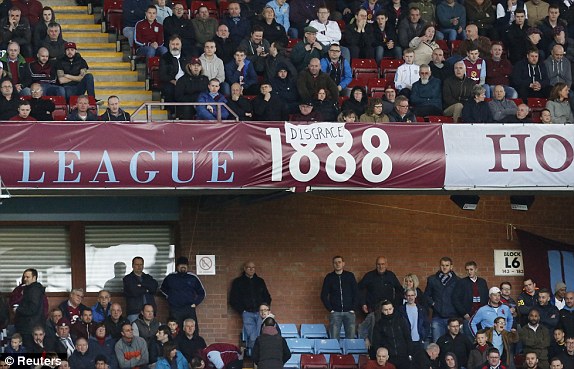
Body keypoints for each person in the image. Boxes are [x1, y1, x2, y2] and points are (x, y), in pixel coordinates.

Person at [229, 261, 272, 351]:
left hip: (260, 312)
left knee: (261, 334)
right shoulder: (238, 282)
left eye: (253, 268)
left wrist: (265, 309)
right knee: (252, 336)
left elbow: (267, 296)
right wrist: (242, 310)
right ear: (244, 269)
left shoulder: (260, 281)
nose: (251, 269)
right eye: (249, 267)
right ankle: (254, 357)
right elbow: (233, 299)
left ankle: (259, 356)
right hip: (247, 313)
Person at [160, 256, 206, 330]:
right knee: (174, 331)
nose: (183, 266)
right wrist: (171, 298)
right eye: (181, 265)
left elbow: (202, 293)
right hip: (175, 309)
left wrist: (195, 303)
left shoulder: (193, 277)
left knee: (191, 330)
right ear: (177, 266)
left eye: (185, 265)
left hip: (189, 309)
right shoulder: (170, 277)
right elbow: (162, 289)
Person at [320, 256, 358, 340]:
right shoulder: (329, 277)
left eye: (339, 262)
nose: (337, 264)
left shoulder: (350, 276)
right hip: (335, 312)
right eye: (335, 262)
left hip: (349, 312)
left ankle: (350, 353)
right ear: (333, 264)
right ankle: (335, 353)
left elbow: (356, 292)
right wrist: (331, 309)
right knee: (334, 338)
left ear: (343, 263)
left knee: (351, 338)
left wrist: (353, 308)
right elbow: (323, 295)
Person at [425, 256, 460, 343]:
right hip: (437, 316)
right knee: (437, 343)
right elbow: (426, 295)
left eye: (447, 265)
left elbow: (460, 298)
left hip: (453, 317)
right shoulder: (432, 279)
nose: (444, 267)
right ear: (440, 266)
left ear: (451, 266)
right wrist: (433, 304)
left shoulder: (458, 281)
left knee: (453, 343)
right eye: (442, 265)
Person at [371, 300, 412, 369]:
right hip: (389, 358)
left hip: (403, 356)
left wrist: (409, 353)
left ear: (393, 309)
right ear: (382, 311)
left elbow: (408, 337)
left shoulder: (401, 320)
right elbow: (376, 342)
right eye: (385, 310)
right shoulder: (379, 324)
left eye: (390, 309)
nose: (388, 311)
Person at [14, 268, 46, 349]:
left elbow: (32, 309)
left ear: (34, 278)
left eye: (27, 277)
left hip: (29, 327)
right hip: (29, 326)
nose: (25, 279)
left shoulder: (34, 290)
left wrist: (18, 309)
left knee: (29, 350)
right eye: (24, 277)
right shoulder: (31, 289)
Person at [122, 256, 158, 324]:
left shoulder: (148, 277)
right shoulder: (128, 279)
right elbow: (134, 291)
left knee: (150, 333)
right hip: (135, 312)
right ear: (132, 266)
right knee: (134, 333)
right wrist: (147, 289)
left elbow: (154, 288)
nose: (139, 266)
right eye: (137, 264)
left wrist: (141, 285)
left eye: (141, 264)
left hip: (149, 312)